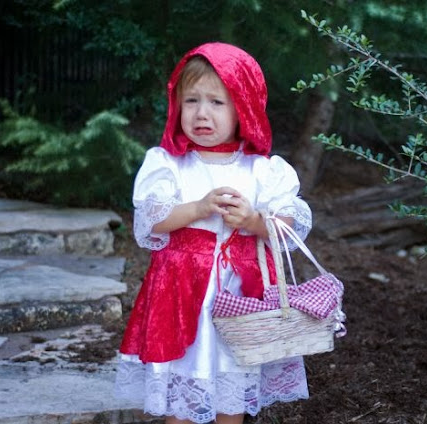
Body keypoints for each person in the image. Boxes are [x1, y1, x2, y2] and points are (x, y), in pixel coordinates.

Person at [115, 42, 313, 424]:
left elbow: (289, 227)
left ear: (244, 108)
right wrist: (198, 208)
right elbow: (151, 220)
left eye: (217, 102)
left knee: (231, 384)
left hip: (240, 297)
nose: (202, 113)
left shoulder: (262, 170)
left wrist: (254, 221)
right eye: (191, 101)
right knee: (179, 385)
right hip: (179, 291)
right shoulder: (169, 164)